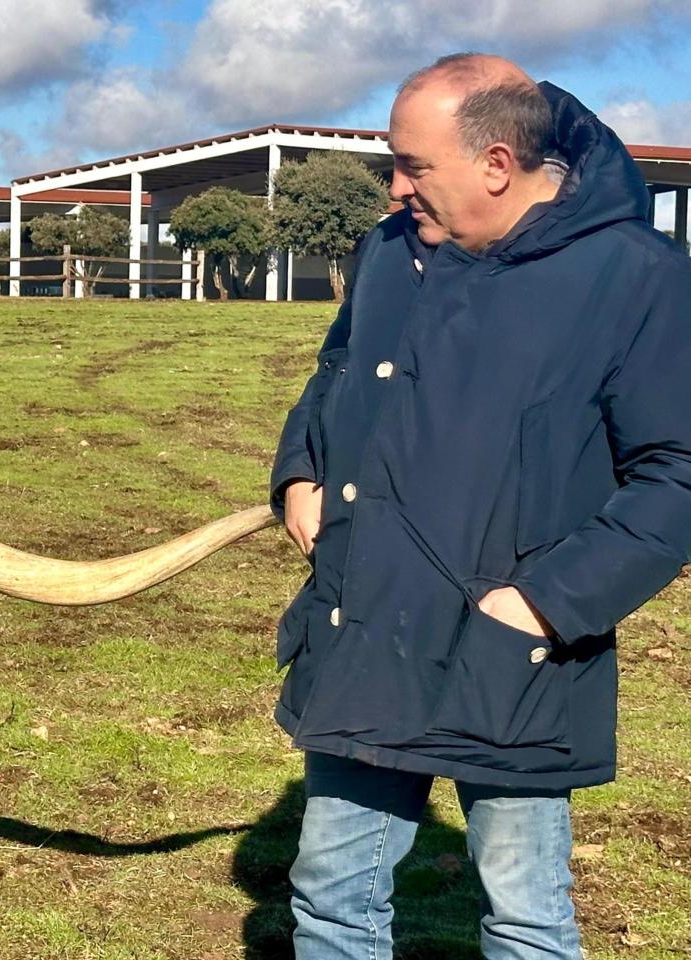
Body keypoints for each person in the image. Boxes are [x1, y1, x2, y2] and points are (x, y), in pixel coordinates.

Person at [269, 52, 691, 959]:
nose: (394, 187)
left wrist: (540, 605)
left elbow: (679, 474)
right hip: (367, 627)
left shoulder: (637, 276)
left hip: (511, 659)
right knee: (332, 899)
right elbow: (334, 376)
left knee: (526, 918)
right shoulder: (388, 251)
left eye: (413, 166)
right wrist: (301, 472)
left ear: (497, 163)